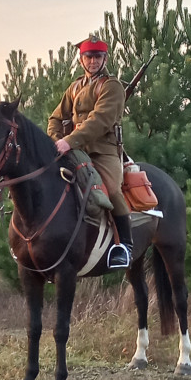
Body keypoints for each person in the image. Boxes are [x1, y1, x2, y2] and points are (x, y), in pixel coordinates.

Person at [47, 36, 132, 268]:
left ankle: (124, 246)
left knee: (112, 190)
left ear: (105, 58)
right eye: (88, 56)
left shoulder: (111, 86)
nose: (93, 61)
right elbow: (55, 117)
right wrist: (57, 141)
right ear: (81, 59)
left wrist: (70, 140)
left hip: (102, 152)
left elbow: (100, 120)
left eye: (97, 56)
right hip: (72, 151)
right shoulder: (74, 87)